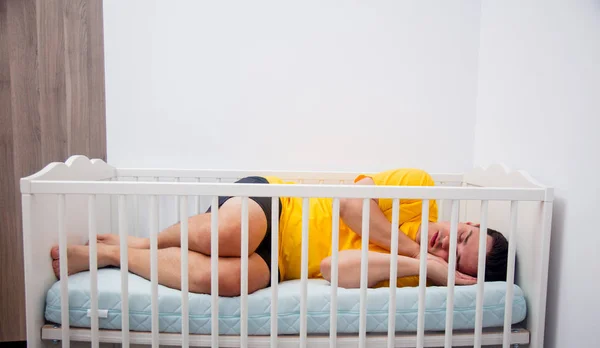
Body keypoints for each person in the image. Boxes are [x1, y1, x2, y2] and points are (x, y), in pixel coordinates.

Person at [50, 168, 509, 296]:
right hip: (277, 204)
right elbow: (352, 205)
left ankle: (115, 255)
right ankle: (141, 242)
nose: (446, 246)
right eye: (462, 238)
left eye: (453, 260)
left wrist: (420, 266)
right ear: (466, 221)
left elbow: (332, 267)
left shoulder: (415, 274)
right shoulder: (420, 191)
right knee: (235, 232)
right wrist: (414, 248)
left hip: (281, 267)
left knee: (231, 279)